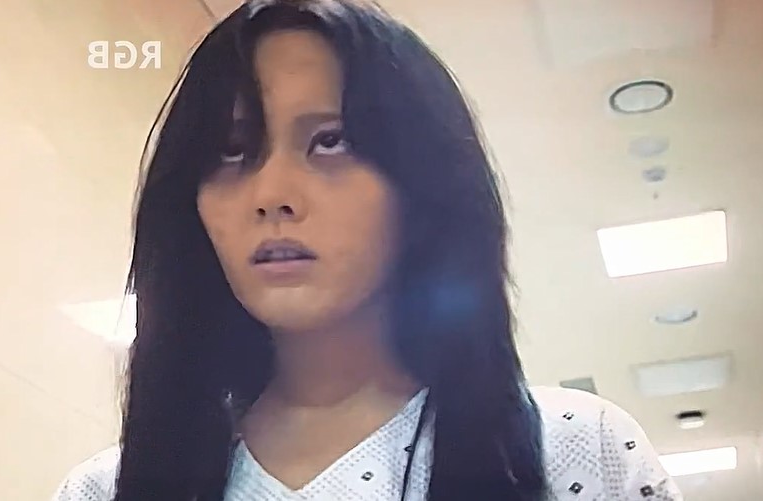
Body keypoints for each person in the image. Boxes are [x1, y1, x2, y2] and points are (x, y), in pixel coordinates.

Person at [53, 1, 683, 500]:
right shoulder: (106, 490)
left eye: (331, 142)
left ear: (420, 184)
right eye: (231, 151)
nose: (272, 194)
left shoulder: (577, 451)